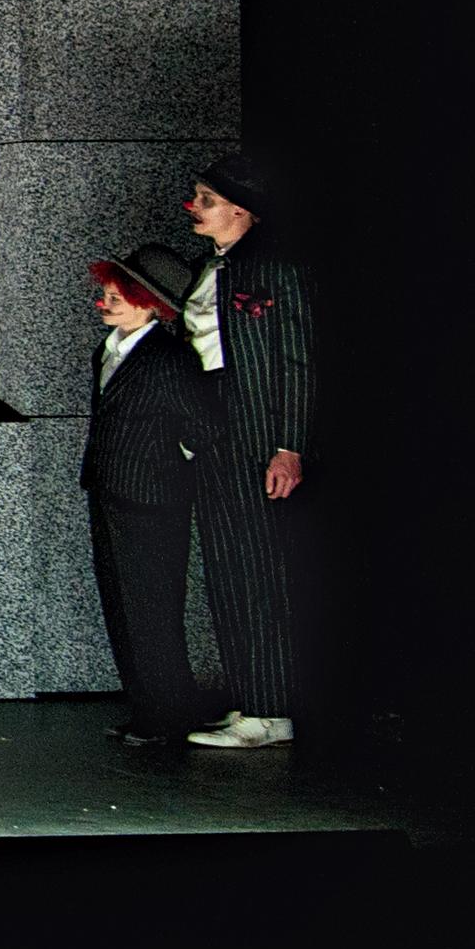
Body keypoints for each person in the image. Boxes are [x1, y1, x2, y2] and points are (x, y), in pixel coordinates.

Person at [176, 152, 315, 751]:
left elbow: (300, 363)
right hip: (216, 440)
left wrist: (290, 447)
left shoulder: (276, 269)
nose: (195, 209)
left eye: (206, 200)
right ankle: (251, 704)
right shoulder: (210, 268)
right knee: (230, 572)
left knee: (258, 572)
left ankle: (270, 710)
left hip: (256, 441)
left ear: (242, 210)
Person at [79, 241, 226, 747]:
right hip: (111, 494)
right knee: (123, 607)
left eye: (115, 297)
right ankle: (149, 710)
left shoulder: (169, 360)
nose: (103, 302)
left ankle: (166, 714)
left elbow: (205, 430)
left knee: (152, 610)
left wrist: (168, 468)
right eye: (104, 293)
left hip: (150, 500)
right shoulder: (109, 351)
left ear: (149, 305)